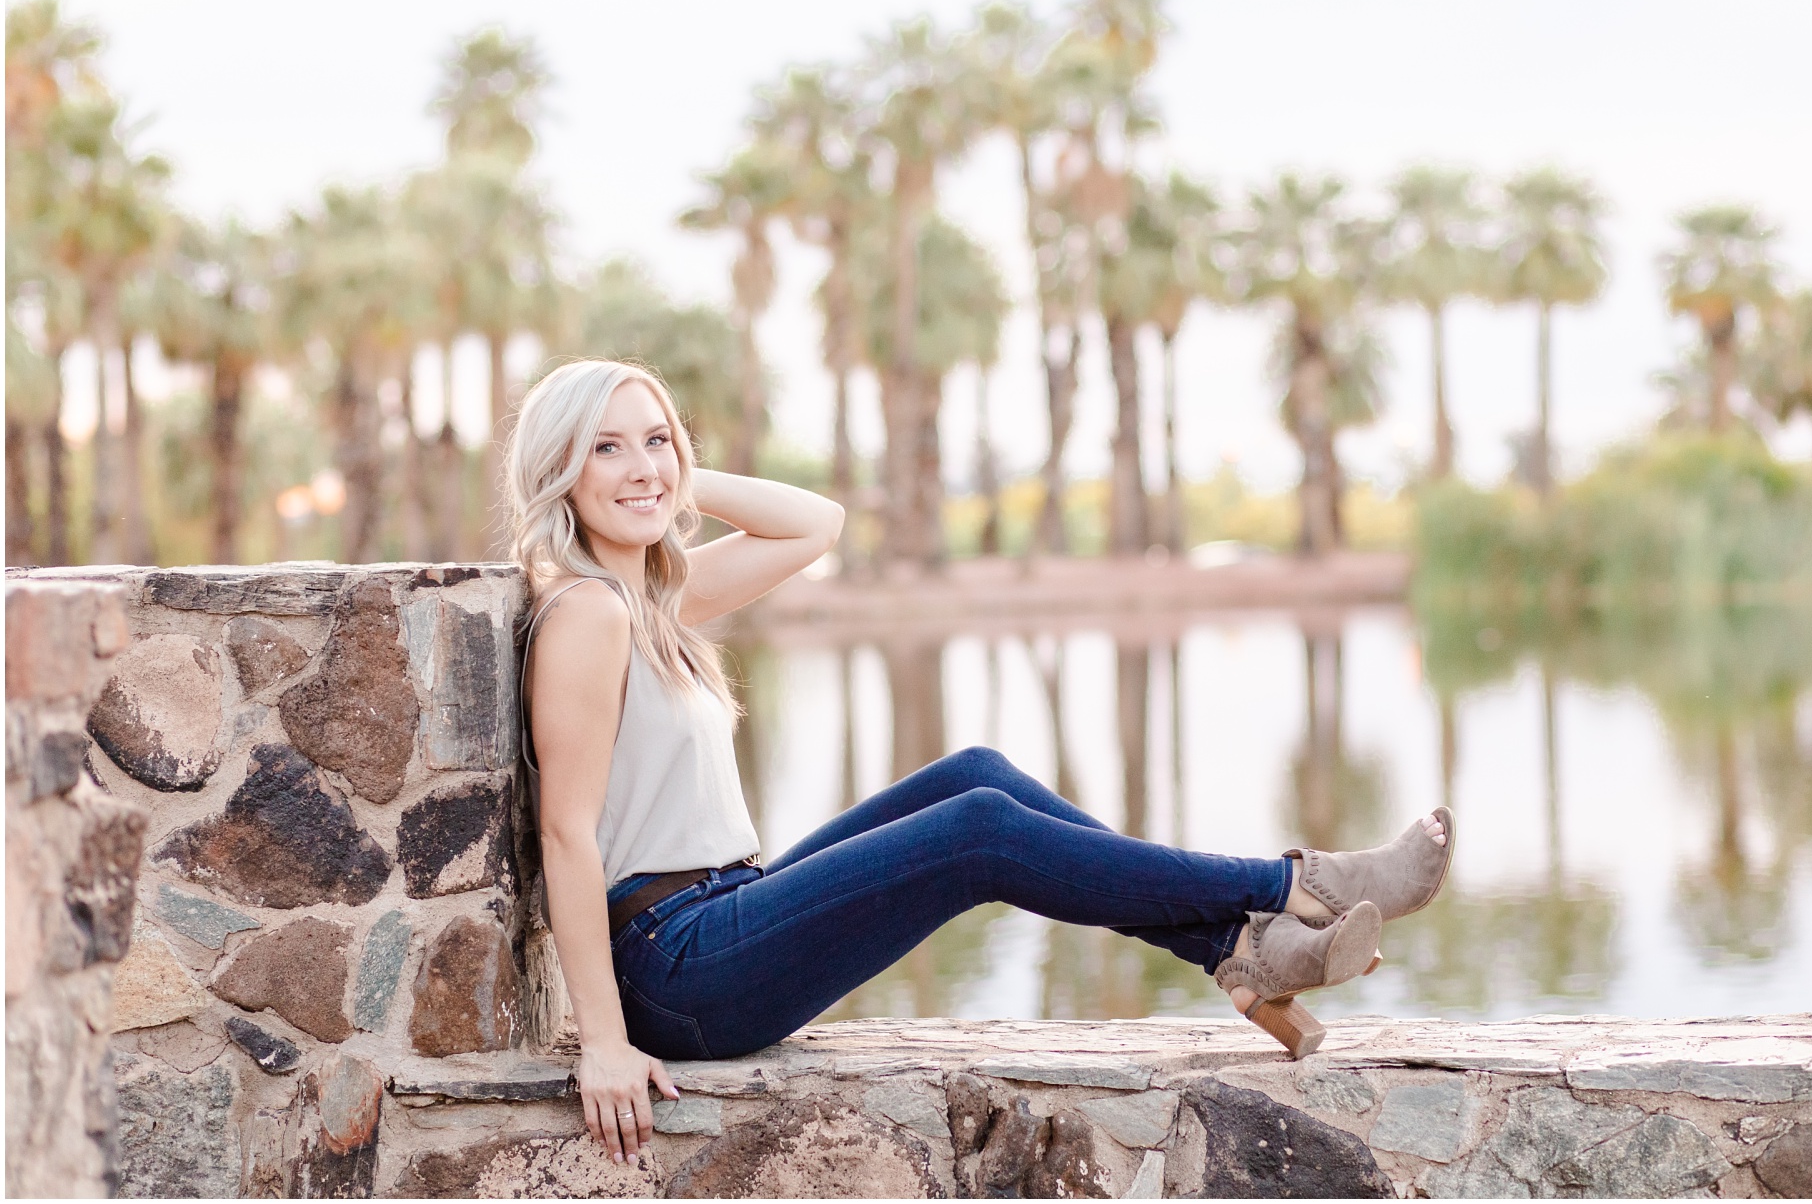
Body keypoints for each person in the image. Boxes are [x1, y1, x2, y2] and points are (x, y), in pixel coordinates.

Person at [509, 358, 1454, 1168]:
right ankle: (1293, 885)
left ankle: (1235, 954)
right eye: (606, 447)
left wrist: (670, 478)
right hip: (674, 970)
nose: (640, 467)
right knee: (977, 836)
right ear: (559, 469)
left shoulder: (652, 598)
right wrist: (601, 1042)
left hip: (720, 912)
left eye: (655, 439)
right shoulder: (588, 613)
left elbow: (816, 524)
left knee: (975, 774)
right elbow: (566, 832)